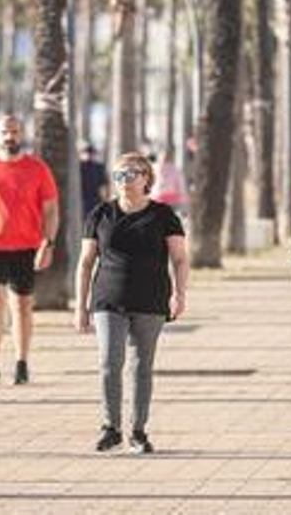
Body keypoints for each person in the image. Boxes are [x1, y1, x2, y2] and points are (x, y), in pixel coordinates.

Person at [74, 153, 190, 455]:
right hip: (107, 299)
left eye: (131, 174)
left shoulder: (164, 215)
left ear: (146, 178)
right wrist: (81, 306)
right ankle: (110, 428)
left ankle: (138, 431)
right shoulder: (100, 214)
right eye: (119, 175)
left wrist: (179, 294)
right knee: (109, 363)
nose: (124, 180)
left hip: (150, 299)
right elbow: (86, 263)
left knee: (141, 367)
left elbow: (179, 258)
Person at [0, 114, 60, 386]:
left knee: (22, 306)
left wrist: (48, 243)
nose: (10, 136)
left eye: (15, 131)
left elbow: (51, 209)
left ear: (22, 134)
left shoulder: (38, 169)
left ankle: (21, 362)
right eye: (6, 131)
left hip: (27, 246)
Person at [151, 144, 189, 214]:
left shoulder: (155, 168)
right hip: (172, 198)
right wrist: (184, 198)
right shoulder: (175, 169)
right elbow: (181, 184)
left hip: (159, 197)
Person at [78, 142, 111, 218]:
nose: (89, 155)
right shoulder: (80, 166)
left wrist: (105, 200)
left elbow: (104, 185)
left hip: (94, 199)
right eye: (86, 152)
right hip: (83, 199)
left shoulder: (99, 167)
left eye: (91, 153)